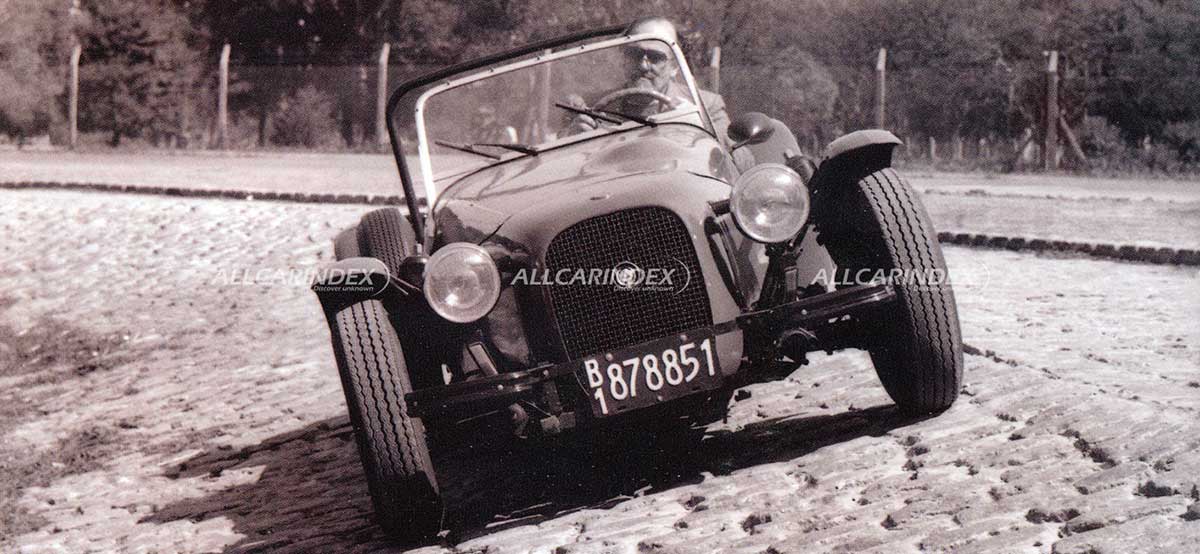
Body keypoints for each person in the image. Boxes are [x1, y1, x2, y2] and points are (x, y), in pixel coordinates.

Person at [565, 18, 733, 145]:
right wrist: (572, 140)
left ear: (674, 66)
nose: (643, 65)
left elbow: (734, 160)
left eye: (655, 57)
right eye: (635, 54)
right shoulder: (591, 108)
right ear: (623, 59)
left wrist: (698, 129)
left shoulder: (706, 107)